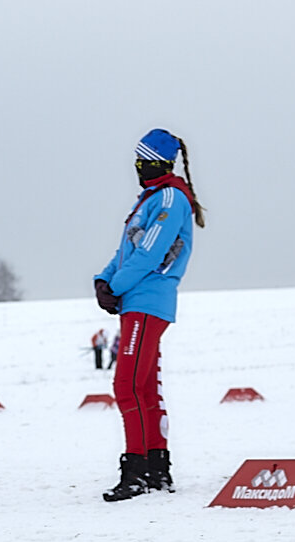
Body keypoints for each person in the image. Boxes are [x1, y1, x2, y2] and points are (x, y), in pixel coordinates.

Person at [94, 128, 204, 502]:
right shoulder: (149, 200)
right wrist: (102, 281)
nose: (138, 169)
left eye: (141, 163)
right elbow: (126, 251)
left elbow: (150, 254)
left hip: (146, 300)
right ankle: (157, 468)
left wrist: (117, 287)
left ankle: (136, 471)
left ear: (155, 162)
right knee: (142, 388)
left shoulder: (171, 198)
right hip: (135, 300)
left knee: (126, 386)